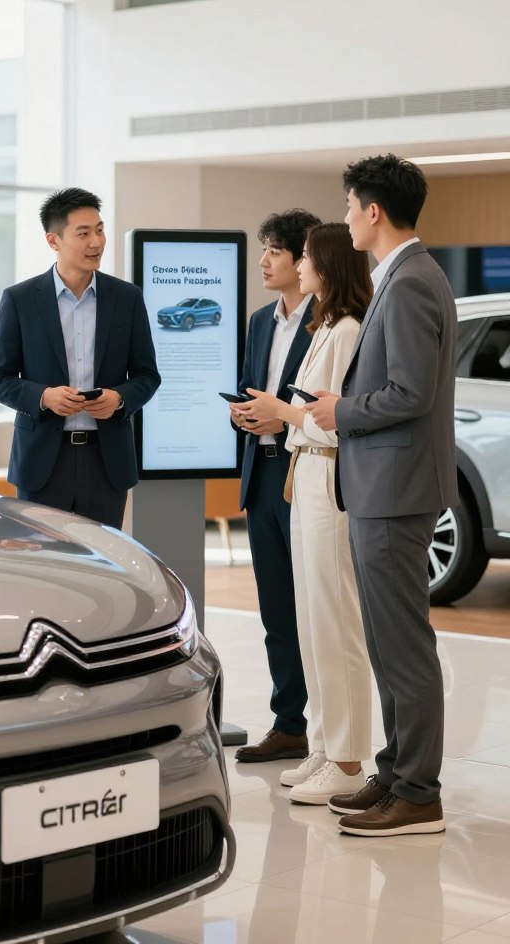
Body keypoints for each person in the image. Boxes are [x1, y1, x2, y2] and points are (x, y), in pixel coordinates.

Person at [307, 154, 456, 837]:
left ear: (373, 211)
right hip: (381, 488)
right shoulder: (400, 277)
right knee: (390, 639)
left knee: (403, 646)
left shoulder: (412, 281)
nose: (343, 219)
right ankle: (396, 772)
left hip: (395, 490)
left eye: (348, 207)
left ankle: (418, 792)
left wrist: (342, 410)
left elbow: (410, 393)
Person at [241, 222, 375, 804]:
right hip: (307, 475)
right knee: (311, 619)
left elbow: (331, 416)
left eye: (305, 258)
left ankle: (347, 760)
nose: (296, 267)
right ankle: (323, 745)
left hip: (326, 475)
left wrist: (284, 413)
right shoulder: (326, 326)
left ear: (325, 265)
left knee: (334, 621)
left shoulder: (345, 330)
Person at [0, 187, 160, 530]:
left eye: (100, 230)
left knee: (102, 568)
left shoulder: (127, 298)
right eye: (83, 233)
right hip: (42, 462)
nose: (96, 242)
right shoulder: (20, 300)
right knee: (43, 567)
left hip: (106, 461)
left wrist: (120, 399)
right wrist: (43, 397)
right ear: (54, 240)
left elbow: (147, 375)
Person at [230, 208, 320, 764]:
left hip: (303, 477)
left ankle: (329, 729)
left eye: (273, 252)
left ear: (302, 258)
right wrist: (243, 415)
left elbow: (319, 407)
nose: (262, 261)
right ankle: (289, 723)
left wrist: (280, 418)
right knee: (275, 612)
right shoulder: (262, 320)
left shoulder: (330, 322)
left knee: (315, 608)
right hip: (260, 477)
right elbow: (248, 387)